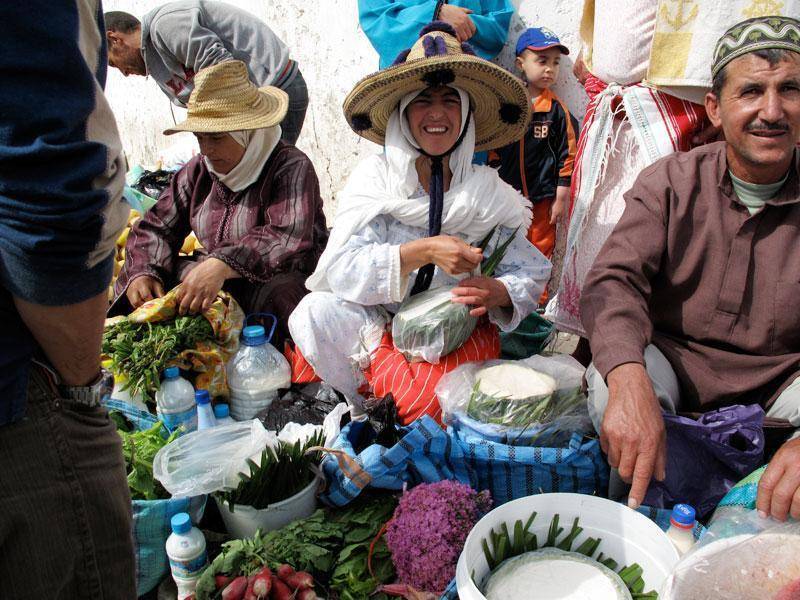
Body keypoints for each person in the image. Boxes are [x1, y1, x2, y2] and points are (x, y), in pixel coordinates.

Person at [581, 15, 800, 520]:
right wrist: (630, 377)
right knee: (609, 379)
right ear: (715, 110)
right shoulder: (672, 182)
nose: (772, 110)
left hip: (782, 385)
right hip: (675, 370)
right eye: (751, 92)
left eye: (789, 89)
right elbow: (615, 280)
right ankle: (636, 526)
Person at [288, 22, 550, 420]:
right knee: (312, 314)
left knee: (429, 406)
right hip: (379, 327)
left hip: (452, 332)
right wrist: (420, 251)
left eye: (450, 101)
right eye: (423, 101)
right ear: (403, 112)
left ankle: (401, 396)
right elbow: (341, 269)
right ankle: (369, 406)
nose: (437, 114)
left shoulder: (486, 192)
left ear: (465, 114)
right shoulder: (376, 182)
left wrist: (498, 291)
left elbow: (531, 270)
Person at [0, 1, 135, 597]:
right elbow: (57, 176)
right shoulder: (196, 176)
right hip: (22, 382)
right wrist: (81, 377)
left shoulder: (287, 170)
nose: (209, 146)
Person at [114, 60, 327, 347]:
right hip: (219, 281)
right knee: (153, 281)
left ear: (247, 131)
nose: (207, 150)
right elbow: (156, 226)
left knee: (282, 296)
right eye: (200, 138)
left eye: (216, 137)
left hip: (280, 276)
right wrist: (144, 271)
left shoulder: (290, 165)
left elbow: (285, 236)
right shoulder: (199, 170)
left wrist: (221, 264)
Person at [551, 0, 712, 351]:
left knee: (651, 250)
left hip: (668, 120)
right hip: (614, 121)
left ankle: (633, 357)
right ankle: (591, 347)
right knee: (598, 246)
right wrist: (593, 53)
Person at [105, 1, 309, 144]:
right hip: (251, 105)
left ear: (115, 39)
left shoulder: (165, 26)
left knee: (262, 182)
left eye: (113, 64)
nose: (123, 72)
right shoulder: (152, 59)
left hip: (276, 90)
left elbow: (225, 73)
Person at [489, 27, 578, 265]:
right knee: (504, 244)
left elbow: (568, 155)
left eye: (556, 62)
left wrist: (561, 197)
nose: (550, 68)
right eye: (542, 60)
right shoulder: (509, 107)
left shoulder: (557, 111)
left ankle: (539, 299)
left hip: (542, 199)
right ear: (520, 63)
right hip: (508, 197)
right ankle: (507, 293)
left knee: (540, 247)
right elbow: (494, 146)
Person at [359, 0, 514, 69]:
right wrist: (436, 13)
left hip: (465, 84)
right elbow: (375, 19)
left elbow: (497, 28)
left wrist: (465, 22)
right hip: (406, 85)